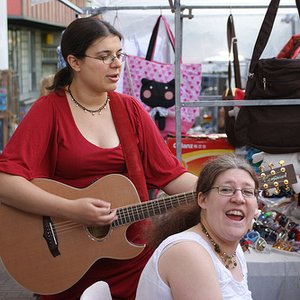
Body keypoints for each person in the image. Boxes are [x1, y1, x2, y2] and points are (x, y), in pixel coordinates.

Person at [0, 17, 197, 300]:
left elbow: (171, 175)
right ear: (75, 62)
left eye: (119, 54)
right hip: (65, 261)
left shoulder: (130, 110)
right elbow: (6, 182)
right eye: (104, 56)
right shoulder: (49, 110)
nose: (116, 64)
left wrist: (221, 187)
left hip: (131, 256)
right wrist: (72, 210)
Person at [136, 154, 259, 300]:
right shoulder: (187, 252)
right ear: (202, 200)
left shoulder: (234, 251)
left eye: (247, 192)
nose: (239, 198)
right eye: (226, 190)